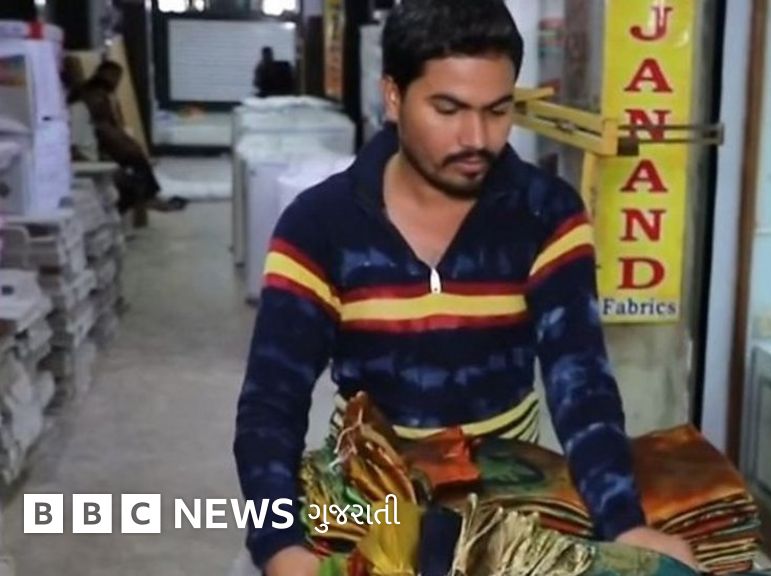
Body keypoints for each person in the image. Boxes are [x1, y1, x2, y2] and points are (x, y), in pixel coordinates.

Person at [232, 1, 698, 575]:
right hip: (363, 499)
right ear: (394, 96)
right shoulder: (319, 226)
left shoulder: (545, 215)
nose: (476, 138)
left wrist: (623, 522)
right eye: (448, 109)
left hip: (509, 503)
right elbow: (270, 405)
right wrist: (279, 545)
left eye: (497, 111)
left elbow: (582, 387)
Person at [68, 60, 186, 214]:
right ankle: (147, 199)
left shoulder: (92, 96)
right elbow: (106, 132)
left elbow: (108, 130)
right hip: (93, 155)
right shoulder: (94, 98)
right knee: (132, 173)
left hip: (100, 148)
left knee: (135, 163)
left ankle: (148, 197)